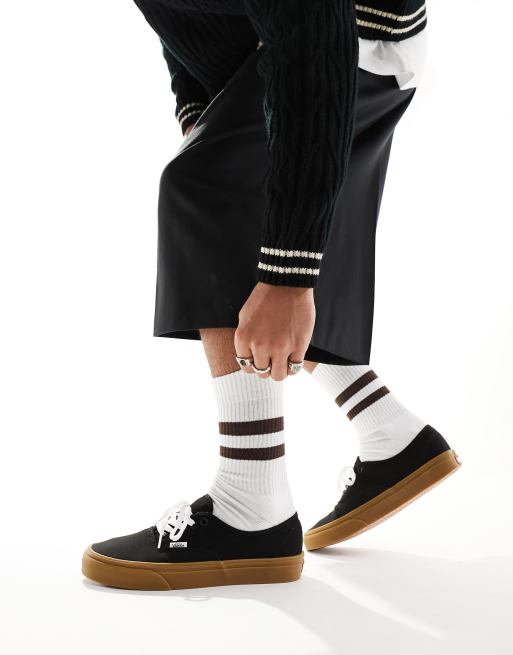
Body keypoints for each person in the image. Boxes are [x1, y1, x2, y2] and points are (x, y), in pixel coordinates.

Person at [82, 0, 460, 591]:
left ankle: (251, 505)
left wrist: (290, 275)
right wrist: (200, 112)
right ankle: (391, 434)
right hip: (289, 42)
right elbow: (184, 19)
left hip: (348, 35)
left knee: (206, 193)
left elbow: (315, 39)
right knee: (213, 178)